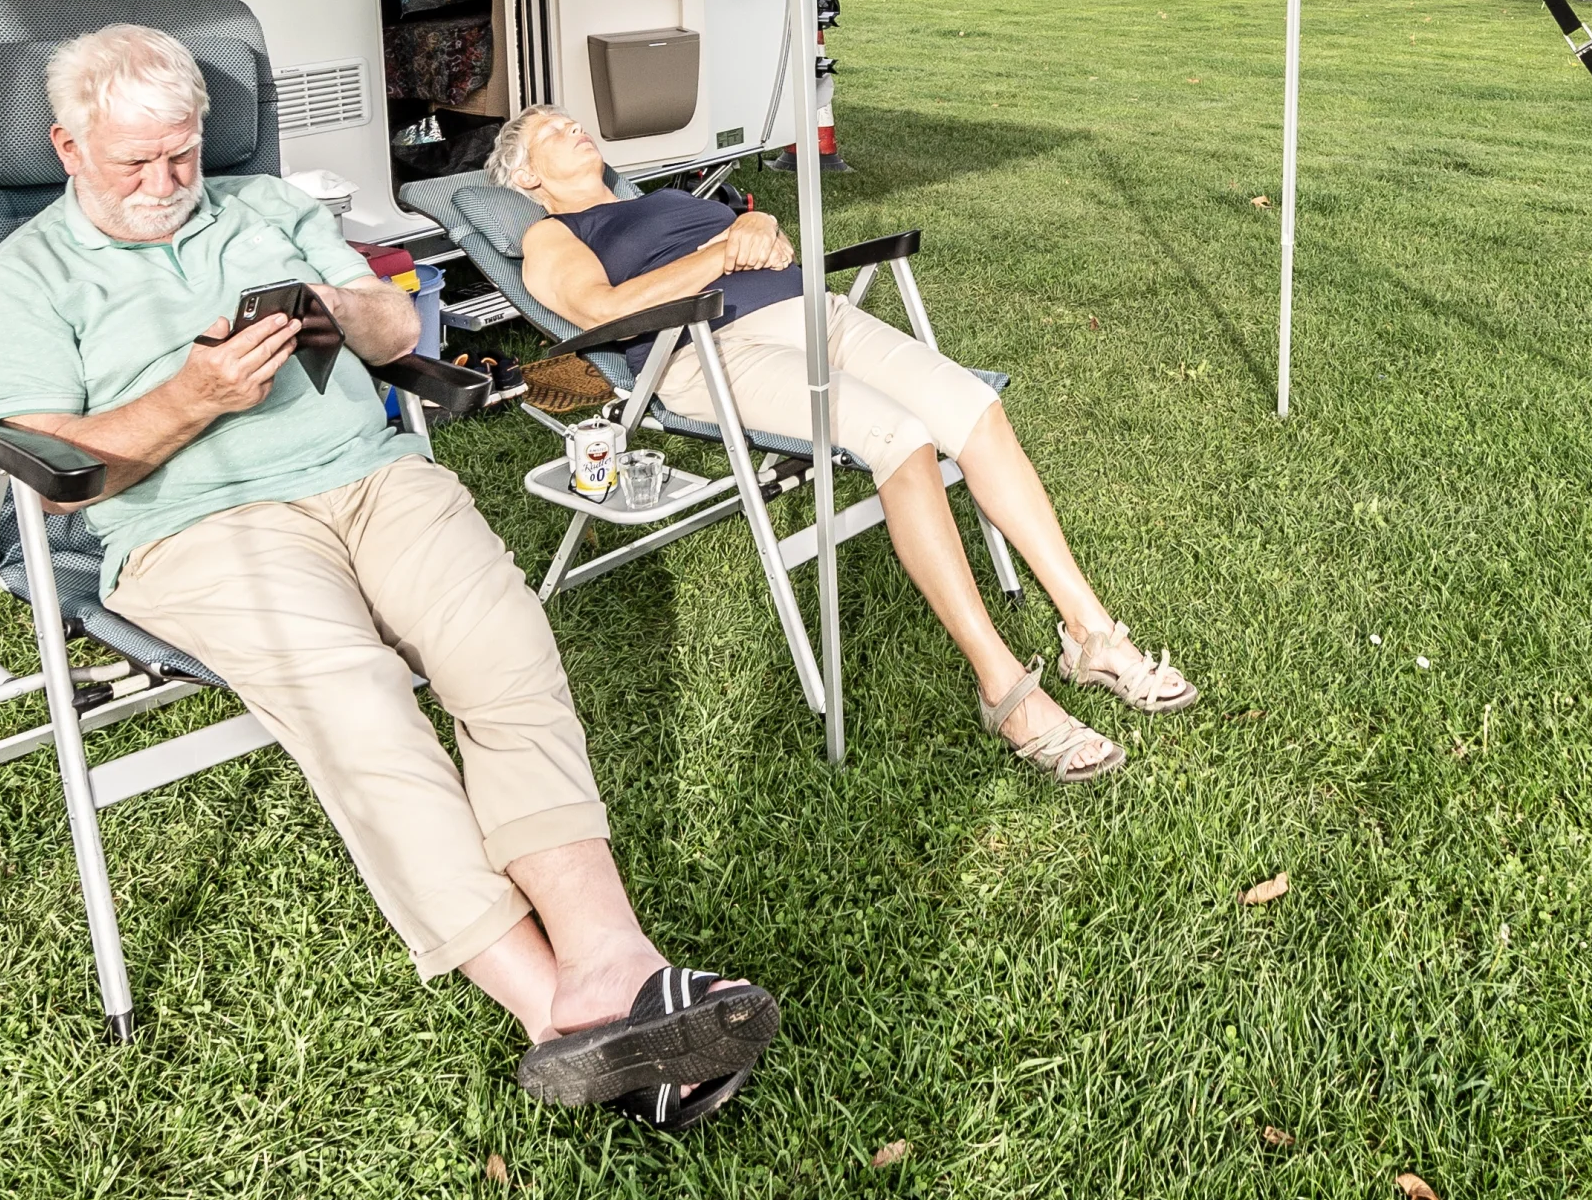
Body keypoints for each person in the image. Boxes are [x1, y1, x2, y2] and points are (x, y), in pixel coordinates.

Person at [0, 25, 776, 1130]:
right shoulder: (25, 276)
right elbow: (56, 471)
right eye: (133, 163)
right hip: (194, 524)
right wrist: (194, 400)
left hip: (372, 478)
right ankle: (562, 1017)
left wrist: (340, 310)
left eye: (183, 155)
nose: (165, 184)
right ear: (64, 144)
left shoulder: (268, 208)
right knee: (361, 701)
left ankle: (613, 958)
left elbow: (399, 330)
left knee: (503, 646)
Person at [490, 104, 1196, 781]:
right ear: (527, 177)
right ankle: (1004, 687)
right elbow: (604, 309)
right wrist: (722, 253)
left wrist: (755, 222)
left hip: (816, 313)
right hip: (709, 350)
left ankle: (1092, 634)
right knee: (900, 435)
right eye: (552, 128)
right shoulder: (553, 235)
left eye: (573, 119)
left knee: (975, 408)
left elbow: (752, 223)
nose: (574, 126)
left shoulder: (667, 197)